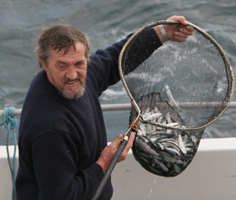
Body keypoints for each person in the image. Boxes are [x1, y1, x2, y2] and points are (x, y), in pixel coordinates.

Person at [16, 15, 194, 200]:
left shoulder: (77, 76)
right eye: (62, 66)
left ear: (86, 60)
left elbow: (113, 59)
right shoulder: (50, 130)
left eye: (79, 64)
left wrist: (162, 33)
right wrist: (105, 161)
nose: (72, 75)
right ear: (43, 63)